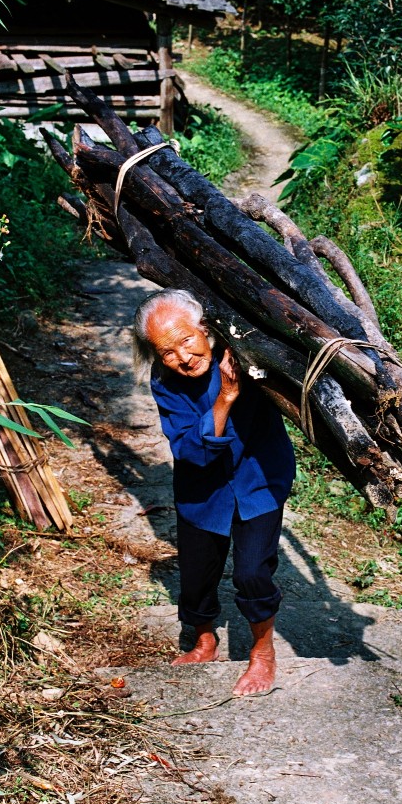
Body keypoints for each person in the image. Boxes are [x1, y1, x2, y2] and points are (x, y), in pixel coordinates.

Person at [132, 288, 295, 696]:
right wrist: (224, 399)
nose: (182, 358)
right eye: (167, 351)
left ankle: (262, 653)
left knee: (253, 570)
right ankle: (205, 640)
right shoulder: (166, 382)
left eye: (186, 340)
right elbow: (188, 448)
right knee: (196, 573)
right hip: (202, 486)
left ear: (205, 328)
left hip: (259, 475)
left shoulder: (245, 350)